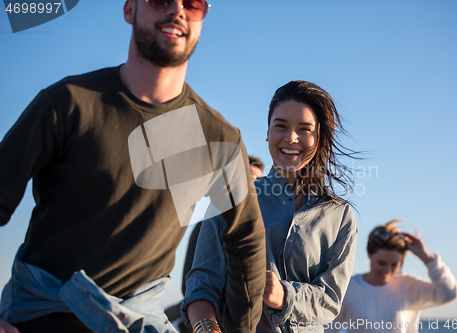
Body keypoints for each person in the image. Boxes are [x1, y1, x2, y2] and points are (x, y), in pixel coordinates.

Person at [0, 1, 266, 333]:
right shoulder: (68, 103)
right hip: (38, 317)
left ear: (202, 19)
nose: (177, 11)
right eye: (160, 0)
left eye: (193, 4)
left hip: (140, 325)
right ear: (129, 10)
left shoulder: (220, 140)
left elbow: (246, 241)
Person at [182, 80, 358, 332]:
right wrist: (207, 328)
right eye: (281, 126)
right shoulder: (229, 198)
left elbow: (330, 301)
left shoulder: (341, 216)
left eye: (304, 129)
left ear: (319, 137)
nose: (291, 138)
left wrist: (283, 295)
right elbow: (201, 284)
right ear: (267, 132)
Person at [164, 156, 266, 333]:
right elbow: (193, 282)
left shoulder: (271, 226)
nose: (254, 185)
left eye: (258, 180)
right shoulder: (209, 224)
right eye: (249, 179)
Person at [326, 220, 457, 333]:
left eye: (394, 264)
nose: (387, 270)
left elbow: (450, 293)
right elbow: (328, 329)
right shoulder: (348, 288)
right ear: (369, 254)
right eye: (382, 263)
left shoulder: (409, 286)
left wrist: (427, 258)